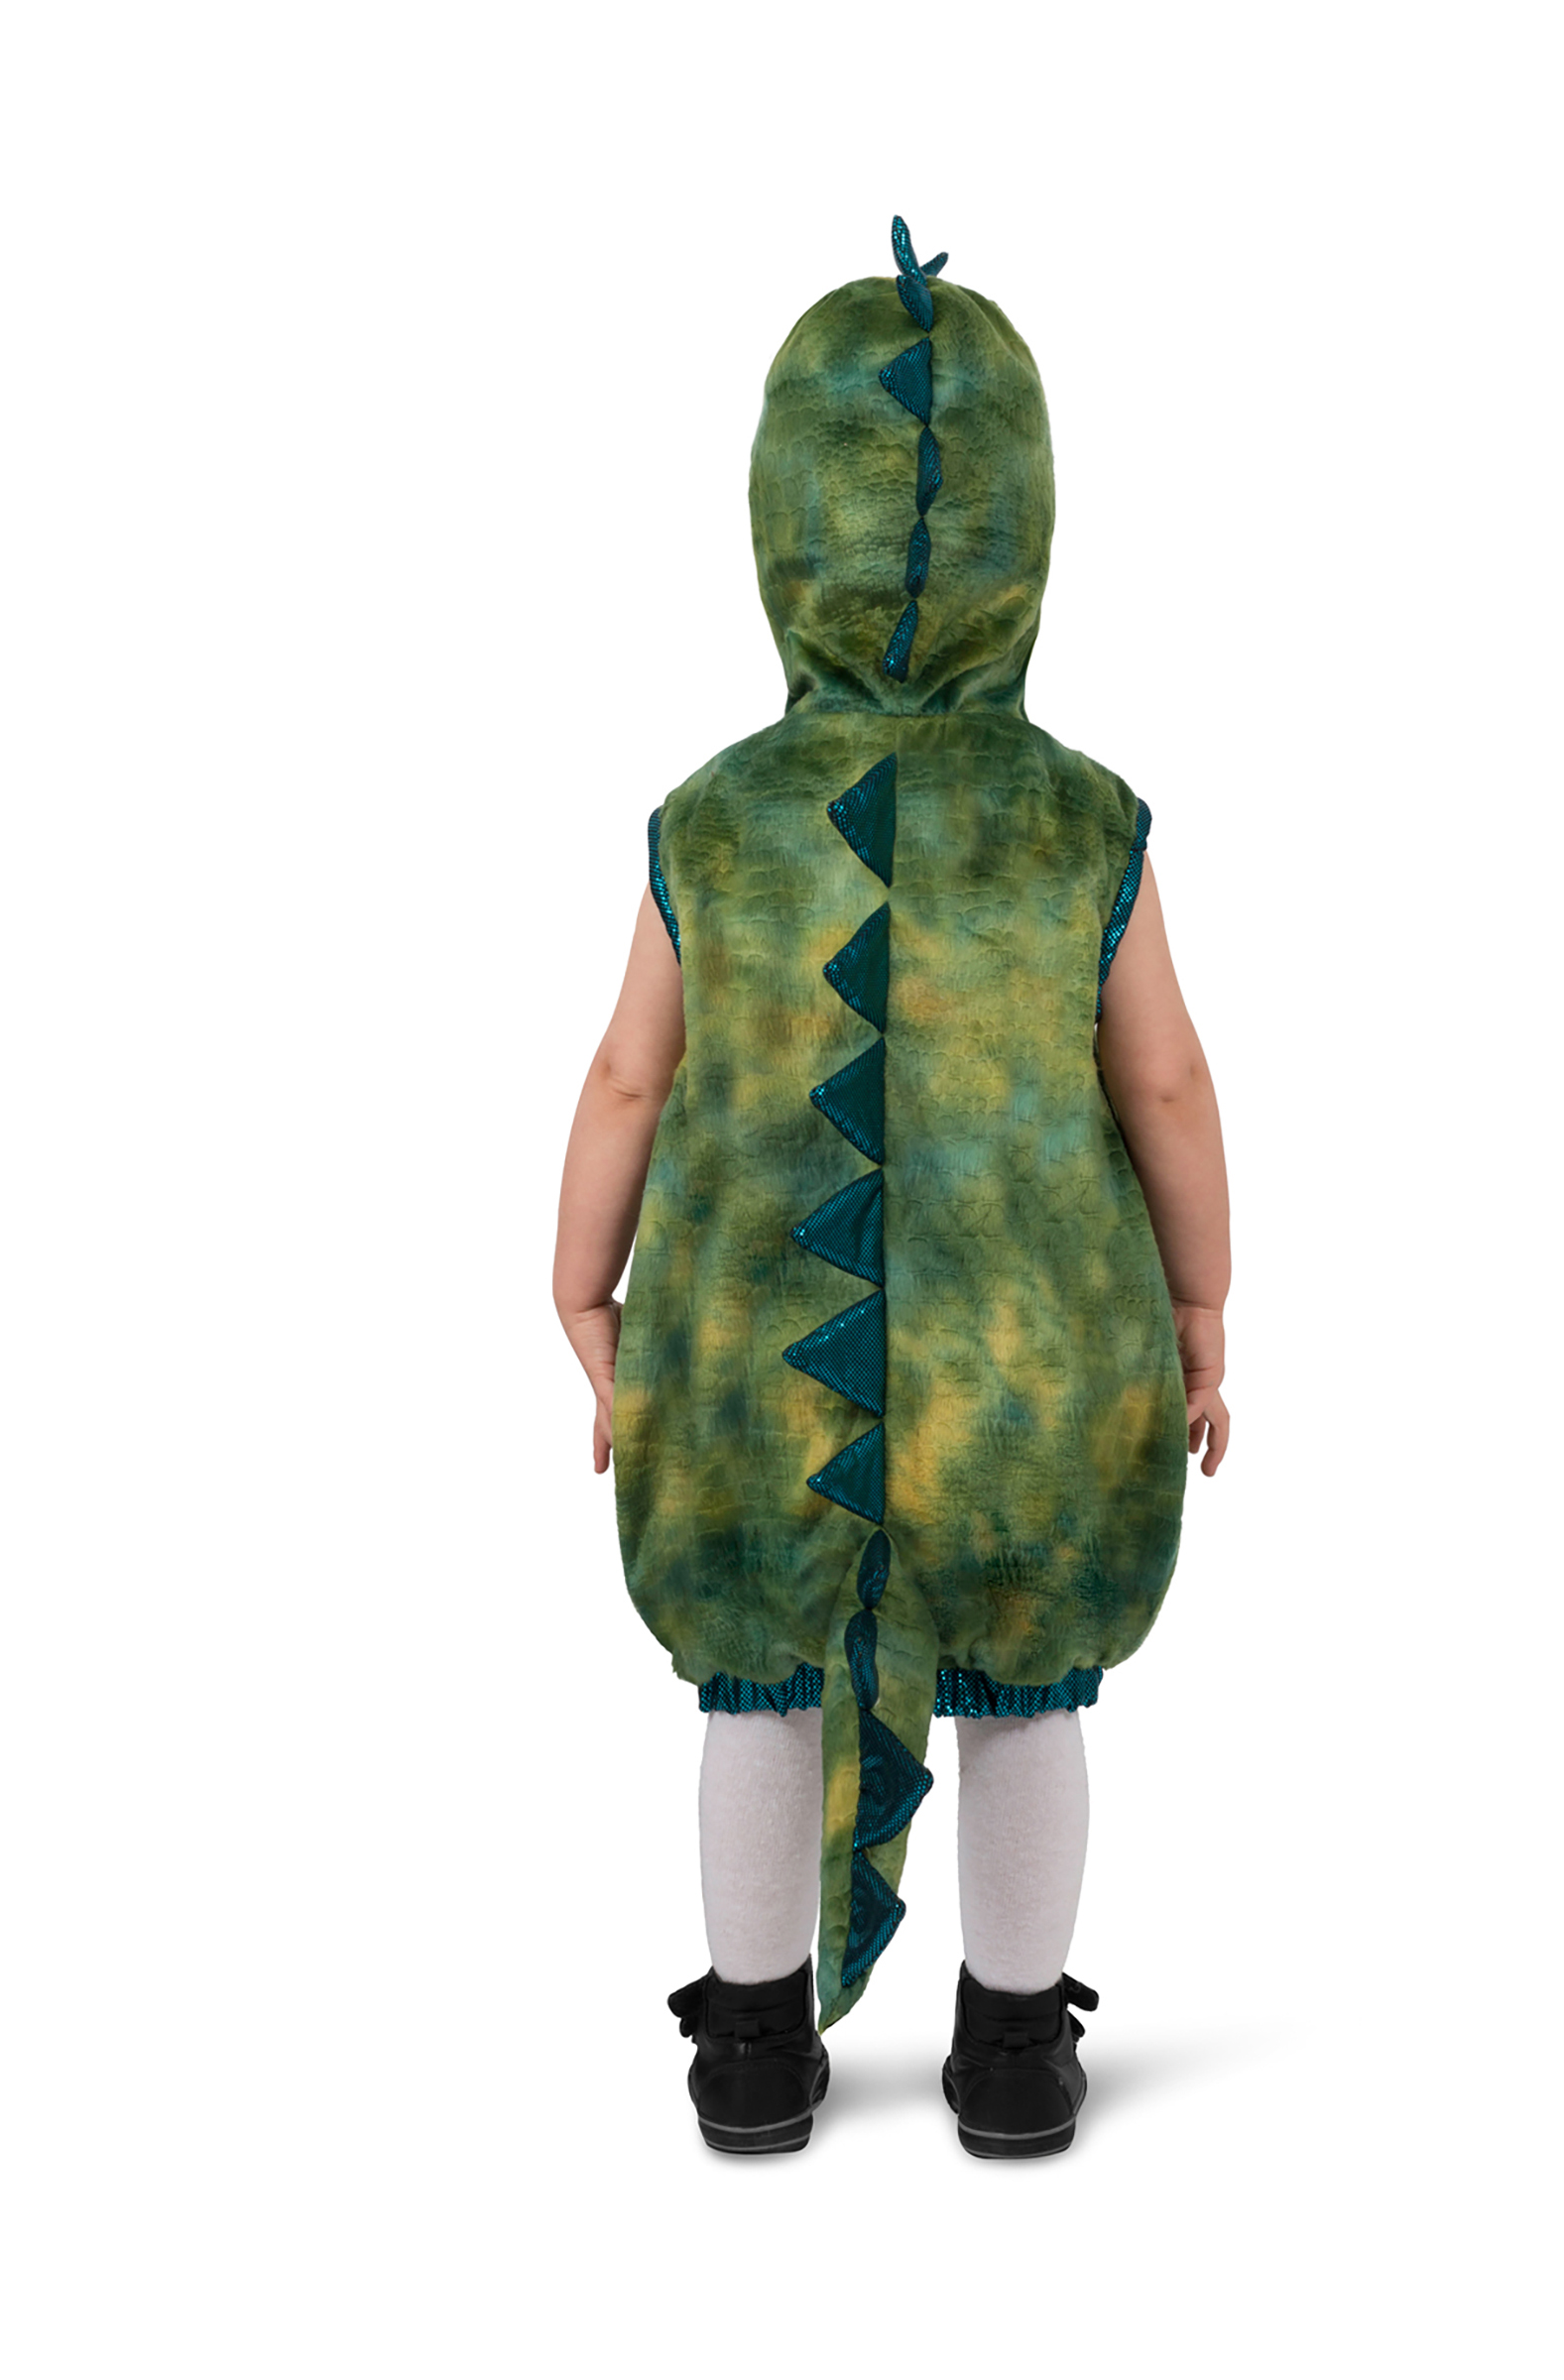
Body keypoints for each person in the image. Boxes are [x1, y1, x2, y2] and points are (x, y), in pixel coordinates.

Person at [552, 218, 1231, 2159]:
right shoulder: (1079, 821)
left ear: (780, 526)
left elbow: (627, 1076)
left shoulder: (715, 821)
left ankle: (753, 2044)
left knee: (762, 1684)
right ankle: (1011, 2050)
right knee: (1025, 1689)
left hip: (751, 1363)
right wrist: (1200, 1305)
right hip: (1030, 1364)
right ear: (1027, 533)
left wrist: (581, 1291)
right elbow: (1164, 1082)